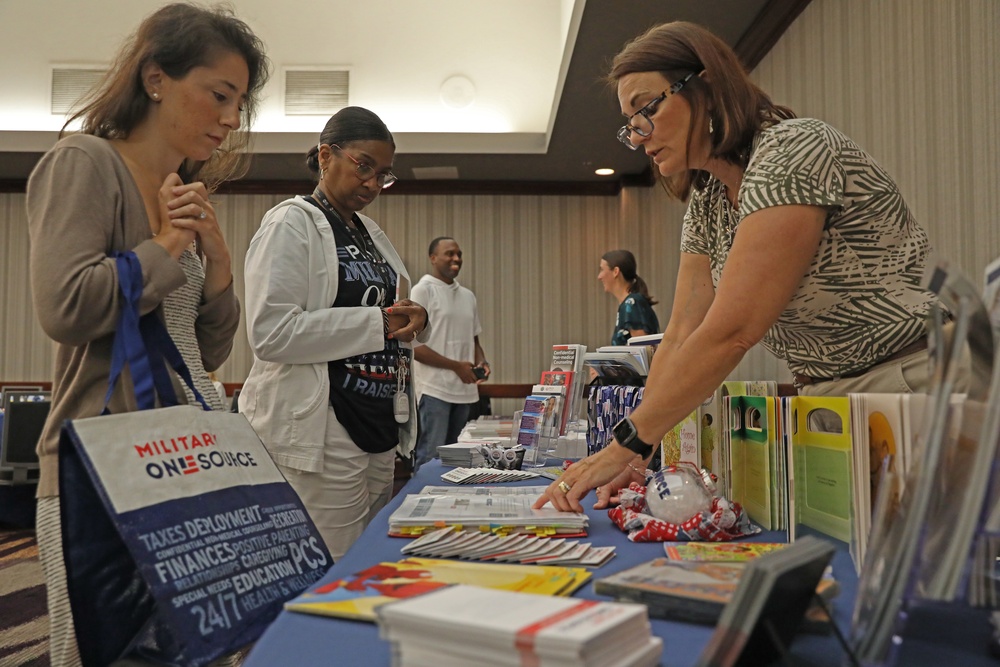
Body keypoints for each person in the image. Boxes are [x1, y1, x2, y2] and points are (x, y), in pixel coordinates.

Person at [535, 20, 968, 514]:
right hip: (829, 398)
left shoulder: (794, 148)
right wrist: (641, 452)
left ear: (709, 87)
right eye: (629, 124)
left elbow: (733, 330)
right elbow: (680, 333)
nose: (637, 137)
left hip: (915, 379)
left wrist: (624, 445)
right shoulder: (709, 199)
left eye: (646, 109)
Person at [26, 4, 269, 665]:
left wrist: (215, 261)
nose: (229, 118)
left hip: (186, 457)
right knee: (106, 651)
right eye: (218, 95)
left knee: (197, 647)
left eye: (239, 103)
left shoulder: (180, 187)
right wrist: (166, 244)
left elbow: (205, 349)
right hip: (107, 468)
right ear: (155, 78)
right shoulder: (84, 162)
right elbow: (66, 305)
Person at [239, 106, 429, 561]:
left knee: (368, 559)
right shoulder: (292, 222)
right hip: (324, 425)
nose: (371, 183)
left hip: (379, 422)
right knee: (331, 569)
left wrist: (411, 317)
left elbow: (385, 314)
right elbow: (272, 333)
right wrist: (380, 323)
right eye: (363, 166)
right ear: (326, 156)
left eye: (383, 175)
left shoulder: (369, 234)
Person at [410, 237, 490, 471]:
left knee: (458, 461)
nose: (456, 258)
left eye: (459, 254)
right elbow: (414, 346)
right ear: (433, 258)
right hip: (435, 389)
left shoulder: (468, 295)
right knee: (430, 458)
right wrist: (456, 366)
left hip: (464, 390)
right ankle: (420, 503)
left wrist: (481, 361)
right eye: (449, 253)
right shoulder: (422, 290)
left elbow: (473, 338)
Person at [599, 249, 660, 345]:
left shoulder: (632, 303)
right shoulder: (630, 303)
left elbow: (641, 351)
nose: (599, 276)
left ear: (615, 271)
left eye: (602, 269)